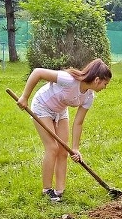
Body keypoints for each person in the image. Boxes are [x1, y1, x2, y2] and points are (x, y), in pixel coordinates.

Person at [15, 59, 112, 202]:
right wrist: (24, 97)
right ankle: (47, 190)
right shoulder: (69, 80)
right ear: (97, 80)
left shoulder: (89, 96)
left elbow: (78, 123)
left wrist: (75, 148)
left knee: (63, 150)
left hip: (60, 111)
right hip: (42, 105)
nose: (105, 87)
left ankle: (59, 191)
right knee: (52, 147)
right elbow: (38, 72)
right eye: (105, 83)